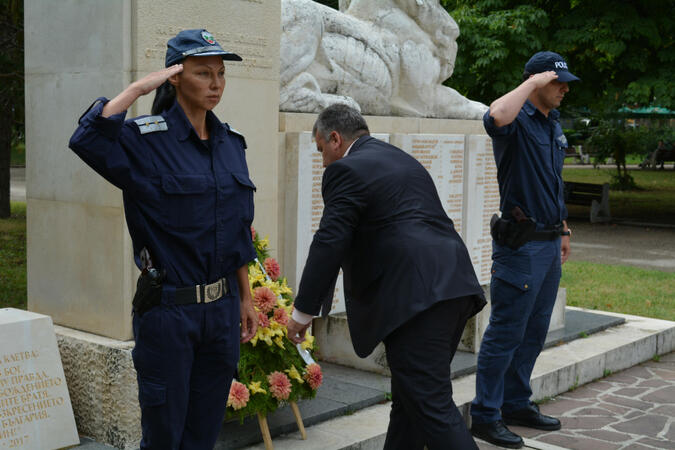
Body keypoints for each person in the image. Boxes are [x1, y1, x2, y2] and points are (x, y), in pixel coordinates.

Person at [69, 29, 258, 449]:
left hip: (221, 312)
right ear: (175, 77)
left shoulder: (231, 144)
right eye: (203, 73)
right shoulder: (144, 140)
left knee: (203, 433)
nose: (216, 84)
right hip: (170, 313)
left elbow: (236, 229)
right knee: (164, 436)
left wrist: (245, 298)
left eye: (221, 74)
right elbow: (86, 139)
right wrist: (139, 87)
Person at [286, 104, 487, 449]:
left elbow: (330, 242)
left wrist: (301, 314)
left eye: (321, 150)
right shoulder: (397, 158)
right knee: (410, 402)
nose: (322, 161)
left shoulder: (345, 170)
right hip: (453, 286)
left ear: (335, 139)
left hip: (417, 299)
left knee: (430, 404)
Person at [469, 51, 577, 449]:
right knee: (506, 332)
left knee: (534, 331)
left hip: (548, 243)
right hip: (520, 247)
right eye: (557, 82)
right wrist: (532, 82)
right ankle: (485, 414)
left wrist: (563, 227)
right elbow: (495, 115)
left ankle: (515, 403)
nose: (564, 89)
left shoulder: (552, 124)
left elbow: (553, 181)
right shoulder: (515, 123)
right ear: (535, 82)